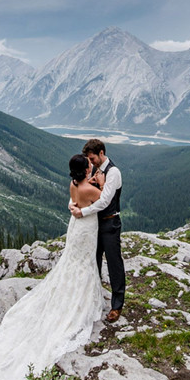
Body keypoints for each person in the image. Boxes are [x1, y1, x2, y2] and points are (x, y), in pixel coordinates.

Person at [0, 154, 104, 380]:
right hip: (86, 229)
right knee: (83, 264)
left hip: (75, 229)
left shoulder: (74, 185)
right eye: (89, 166)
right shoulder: (89, 188)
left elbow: (73, 202)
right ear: (85, 171)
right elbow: (103, 202)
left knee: (72, 263)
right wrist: (101, 182)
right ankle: (80, 298)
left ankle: (68, 292)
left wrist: (75, 205)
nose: (91, 166)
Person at [70, 138, 125, 323]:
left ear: (101, 153)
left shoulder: (114, 172)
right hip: (94, 224)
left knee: (114, 262)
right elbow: (81, 190)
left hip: (110, 224)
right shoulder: (94, 170)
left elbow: (104, 201)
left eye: (92, 158)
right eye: (89, 159)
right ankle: (95, 297)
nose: (90, 162)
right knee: (93, 261)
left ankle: (117, 305)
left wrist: (81, 211)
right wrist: (74, 204)